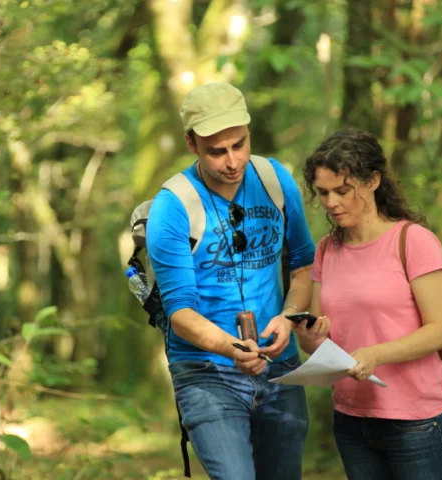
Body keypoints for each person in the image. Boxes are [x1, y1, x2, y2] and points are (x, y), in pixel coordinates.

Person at [146, 82, 326, 480]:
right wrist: (232, 349)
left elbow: (302, 265)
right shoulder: (173, 207)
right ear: (192, 144)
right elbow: (180, 312)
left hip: (279, 365)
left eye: (239, 145)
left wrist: (289, 316)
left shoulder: (275, 179)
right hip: (206, 371)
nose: (232, 161)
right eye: (217, 151)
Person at [297, 128, 442, 480]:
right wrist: (309, 334)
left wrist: (376, 354)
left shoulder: (414, 241)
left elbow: (440, 330)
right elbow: (315, 342)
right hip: (352, 420)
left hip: (416, 422)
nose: (331, 203)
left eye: (342, 191)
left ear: (373, 181)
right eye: (323, 193)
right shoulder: (326, 248)